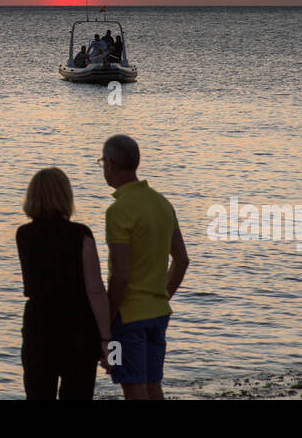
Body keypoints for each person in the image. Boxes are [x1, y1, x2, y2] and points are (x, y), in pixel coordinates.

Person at [100, 134, 190, 399]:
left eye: (103, 162)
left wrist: (108, 319)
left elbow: (121, 276)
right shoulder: (162, 203)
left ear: (112, 164)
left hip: (129, 316)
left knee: (133, 386)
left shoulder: (119, 211)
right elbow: (182, 260)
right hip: (159, 312)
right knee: (153, 385)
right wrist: (161, 295)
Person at [15, 167, 112, 399]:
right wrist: (108, 339)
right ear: (66, 196)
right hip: (78, 326)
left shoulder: (23, 235)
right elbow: (95, 289)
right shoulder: (81, 235)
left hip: (38, 325)